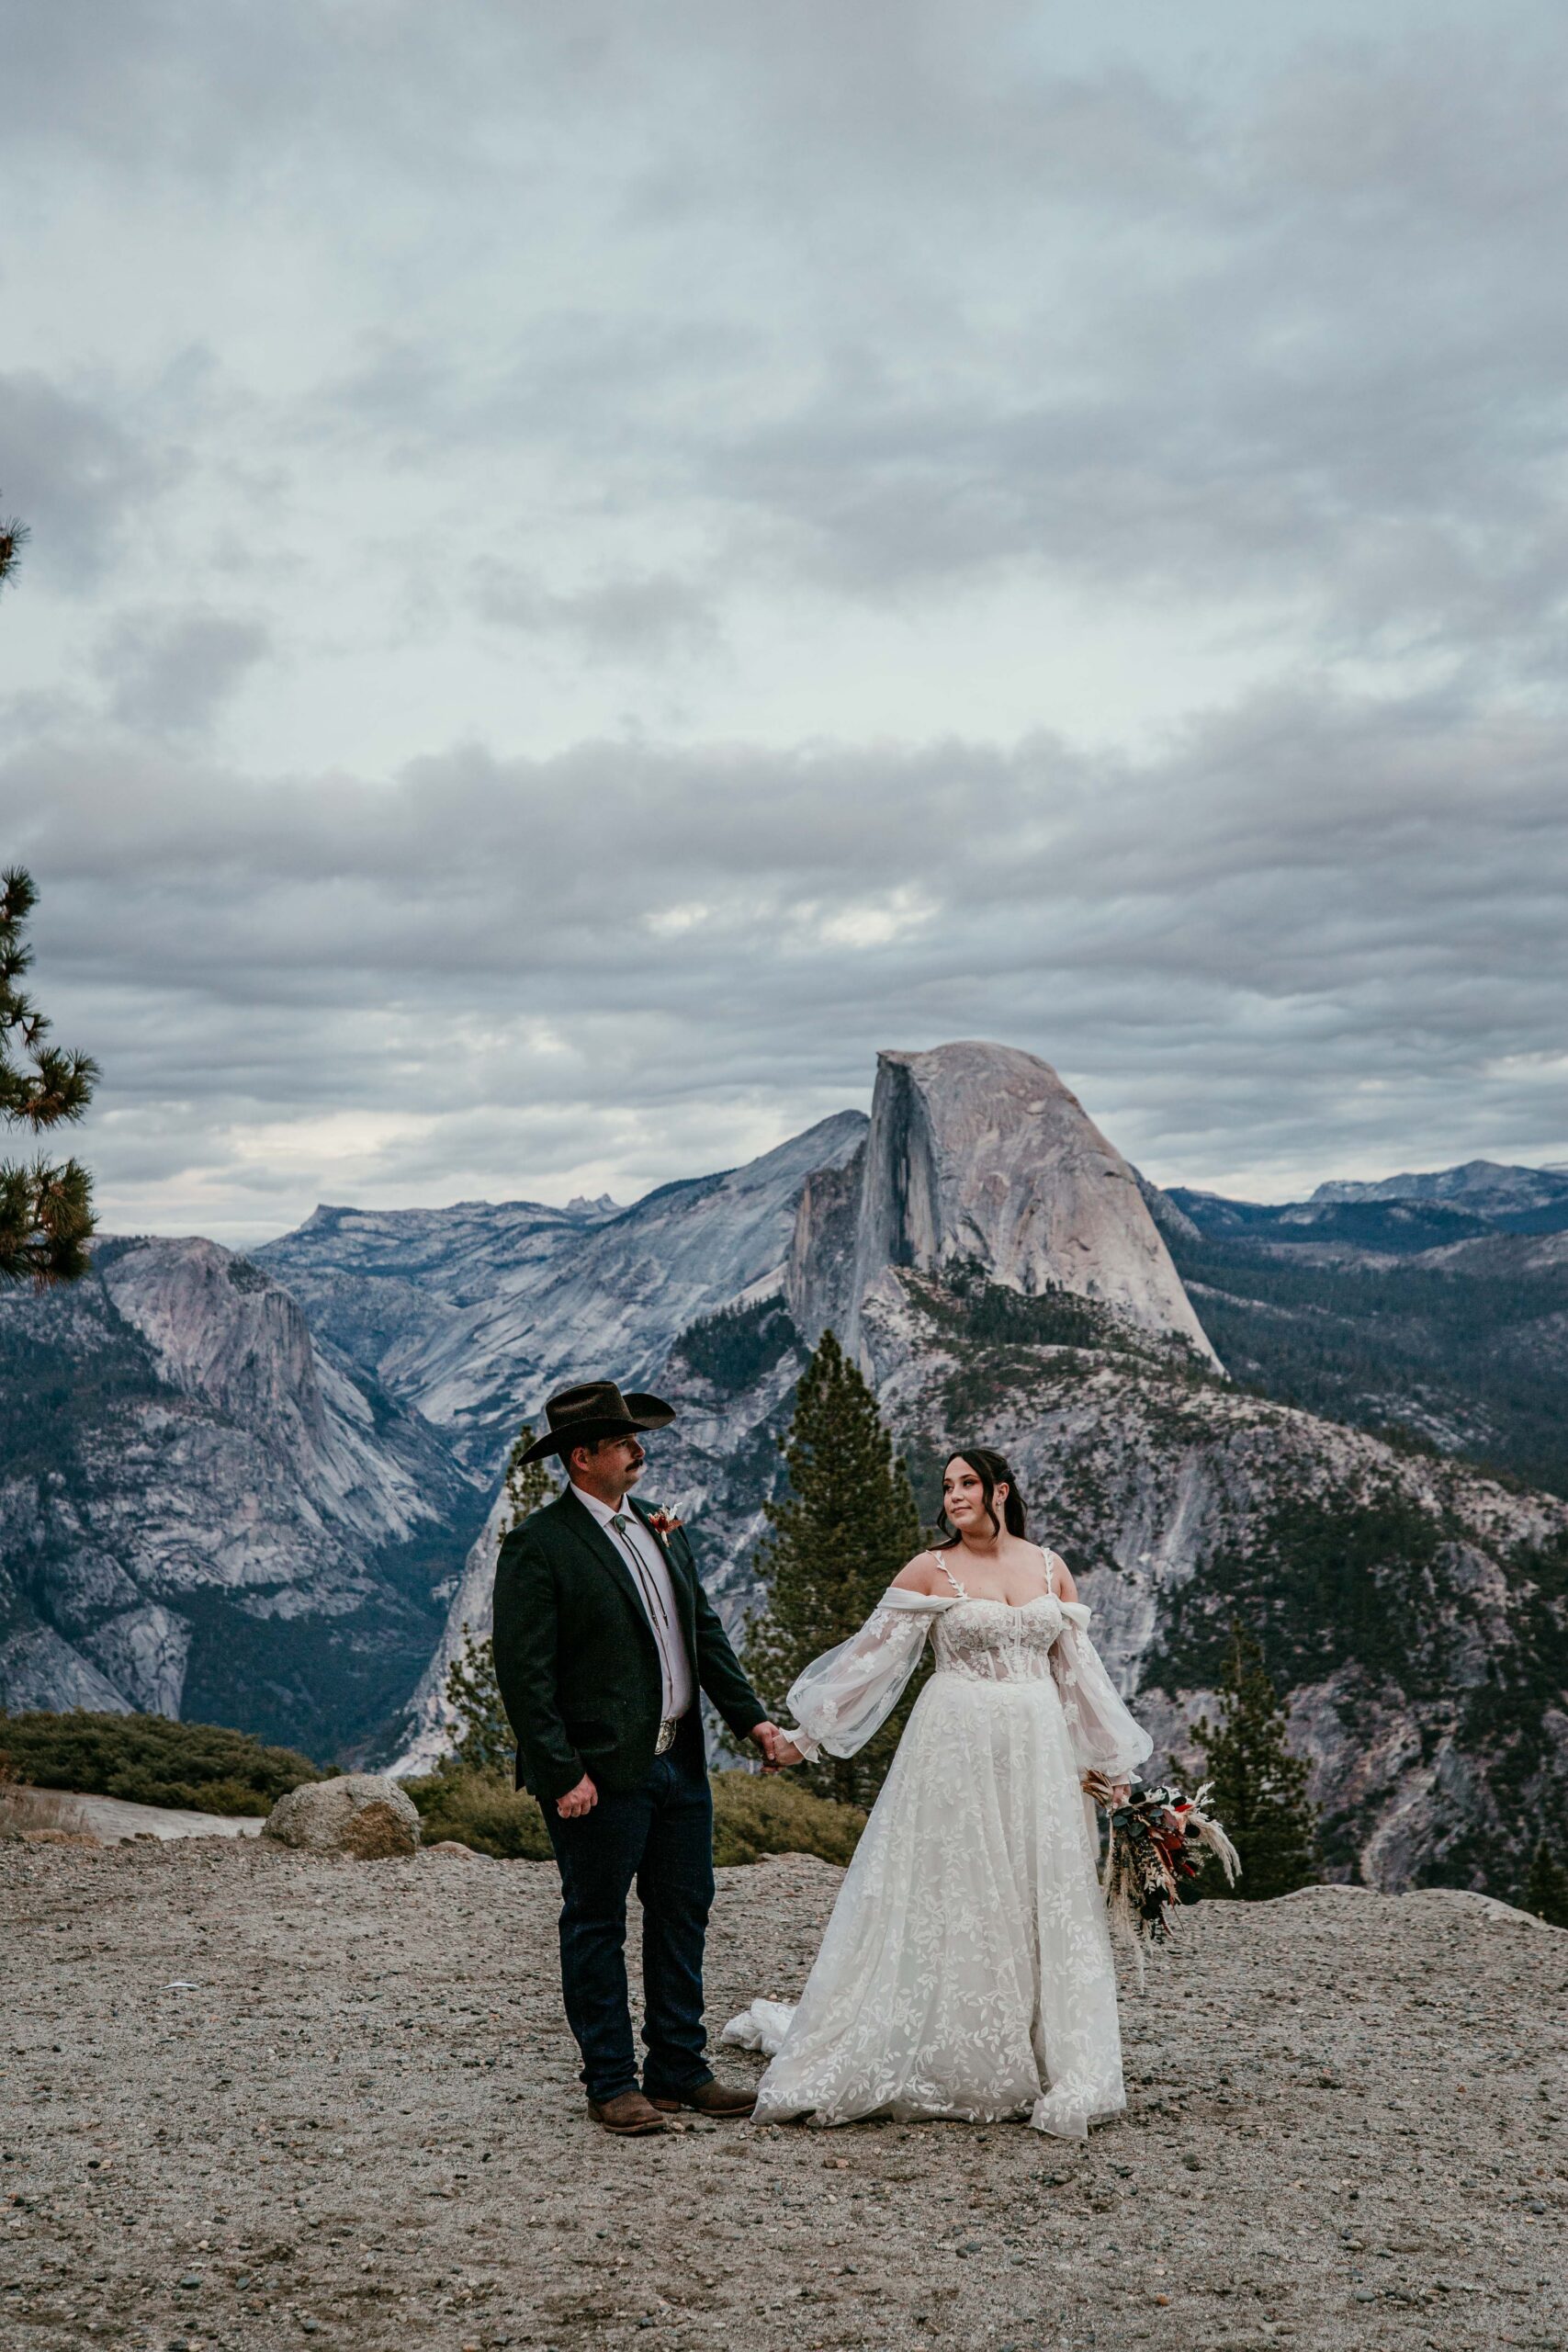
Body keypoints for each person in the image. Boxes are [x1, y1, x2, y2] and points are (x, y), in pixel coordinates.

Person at [726, 1446, 1152, 2138]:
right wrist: (800, 1739)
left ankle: (1046, 2054)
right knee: (958, 1887)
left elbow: (1080, 1676)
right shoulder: (932, 1567)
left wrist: (1114, 1771)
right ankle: (955, 2052)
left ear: (1000, 1492)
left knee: (1034, 1891)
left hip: (1040, 1752)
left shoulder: (1050, 1568)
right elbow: (873, 1658)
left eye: (967, 1484)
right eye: (948, 1486)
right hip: (954, 1745)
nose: (954, 1496)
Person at [491, 1378, 786, 2138]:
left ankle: (678, 2069)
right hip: (598, 1773)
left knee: (684, 1909)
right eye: (624, 1442)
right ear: (582, 1458)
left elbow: (705, 1633)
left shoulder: (663, 1526)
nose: (638, 1451)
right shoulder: (539, 1545)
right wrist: (563, 1774)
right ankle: (611, 2082)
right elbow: (524, 1676)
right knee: (596, 1922)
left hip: (678, 1761)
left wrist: (752, 1724)